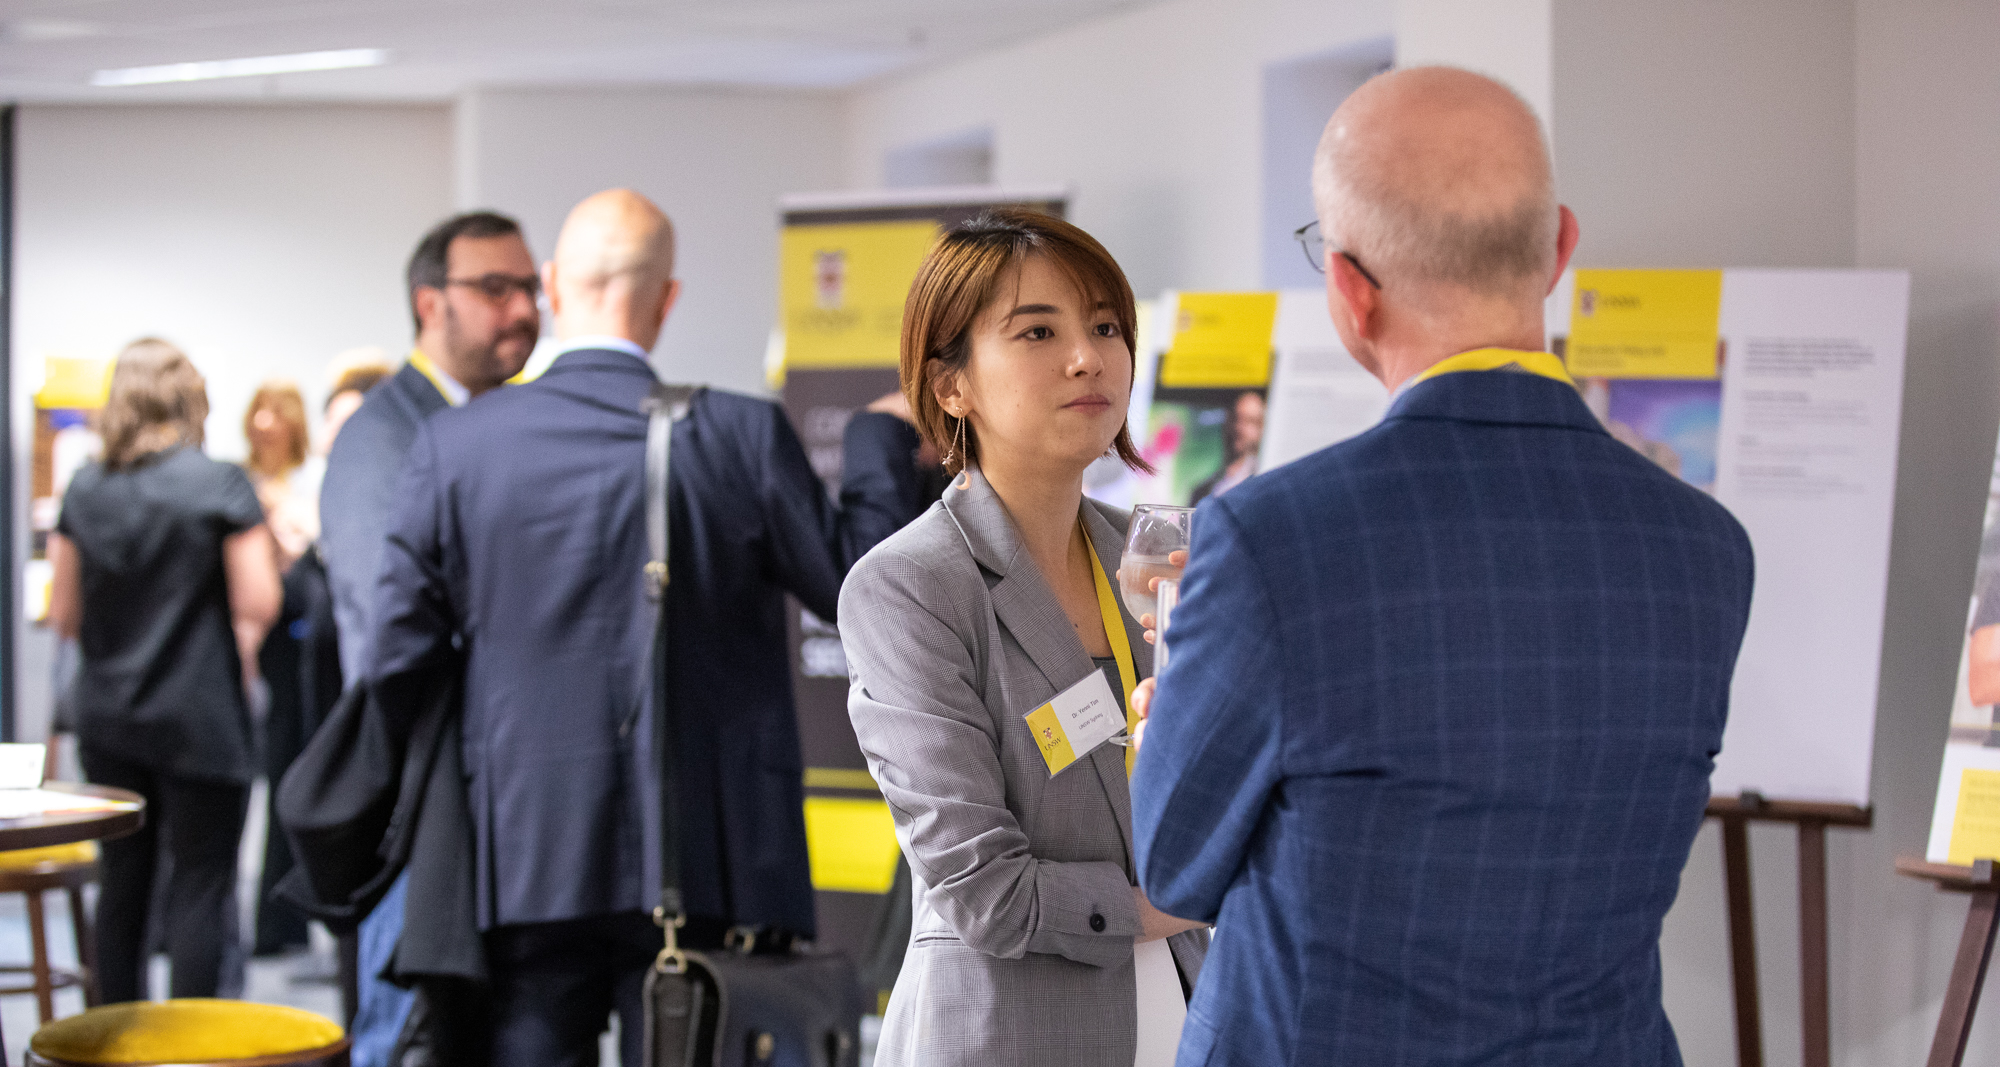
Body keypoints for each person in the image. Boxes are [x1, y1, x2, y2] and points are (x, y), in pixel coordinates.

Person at [1128, 67, 1757, 1067]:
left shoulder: (1266, 542)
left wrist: (1162, 720)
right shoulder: (1703, 547)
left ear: (1346, 290)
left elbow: (1173, 867)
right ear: (1558, 249)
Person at [366, 187, 923, 1063]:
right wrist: (876, 444)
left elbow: (393, 655)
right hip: (712, 851)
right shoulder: (739, 434)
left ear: (550, 285)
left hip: (523, 851)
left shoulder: (456, 445)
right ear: (667, 299)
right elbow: (867, 592)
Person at [838, 209, 1209, 1067]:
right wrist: (1177, 902)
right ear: (951, 385)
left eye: (1106, 326)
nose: (1088, 356)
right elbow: (983, 890)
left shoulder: (1156, 558)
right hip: (1007, 1035)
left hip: (1186, 1022)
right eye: (1038, 330)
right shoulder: (912, 586)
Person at [317, 211, 539, 1064]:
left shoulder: (508, 423)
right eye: (493, 288)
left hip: (504, 799)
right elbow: (392, 629)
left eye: (528, 288)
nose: (520, 308)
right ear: (429, 303)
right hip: (416, 803)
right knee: (408, 1037)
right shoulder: (384, 436)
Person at [46, 338, 283, 1002]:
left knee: (122, 884)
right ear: (191, 399)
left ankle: (110, 1038)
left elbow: (63, 610)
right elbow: (260, 598)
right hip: (199, 716)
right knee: (200, 885)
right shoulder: (218, 482)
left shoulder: (85, 487)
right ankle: (192, 1047)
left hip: (109, 717)